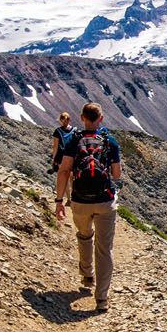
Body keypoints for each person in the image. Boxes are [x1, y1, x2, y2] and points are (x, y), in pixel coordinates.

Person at [54, 103, 122, 312]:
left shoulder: (74, 140)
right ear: (101, 119)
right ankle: (101, 299)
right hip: (105, 201)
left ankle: (87, 274)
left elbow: (64, 171)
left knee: (84, 235)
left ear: (82, 118)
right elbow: (117, 174)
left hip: (80, 201)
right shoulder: (110, 141)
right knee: (104, 250)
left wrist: (59, 201)